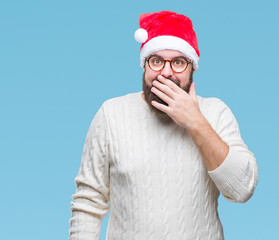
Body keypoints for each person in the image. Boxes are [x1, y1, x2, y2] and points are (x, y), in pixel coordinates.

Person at [68, 10, 259, 240]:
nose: (166, 72)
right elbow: (88, 201)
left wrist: (196, 122)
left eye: (178, 62)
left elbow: (242, 189)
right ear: (144, 65)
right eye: (156, 61)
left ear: (192, 68)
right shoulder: (111, 114)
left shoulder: (216, 113)